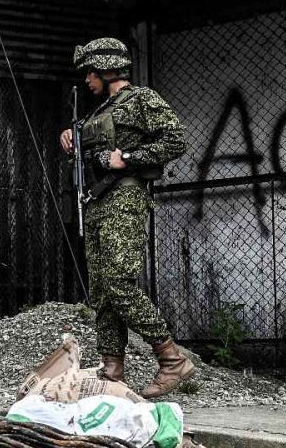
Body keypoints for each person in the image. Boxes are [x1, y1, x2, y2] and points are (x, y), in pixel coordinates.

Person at [60, 38, 195, 398]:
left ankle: (171, 359)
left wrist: (129, 158)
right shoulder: (100, 109)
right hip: (97, 201)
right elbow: (90, 144)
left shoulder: (142, 100)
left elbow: (176, 140)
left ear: (106, 70)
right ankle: (112, 368)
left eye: (90, 72)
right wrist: (70, 135)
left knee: (119, 282)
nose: (87, 79)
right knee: (102, 291)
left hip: (125, 197)